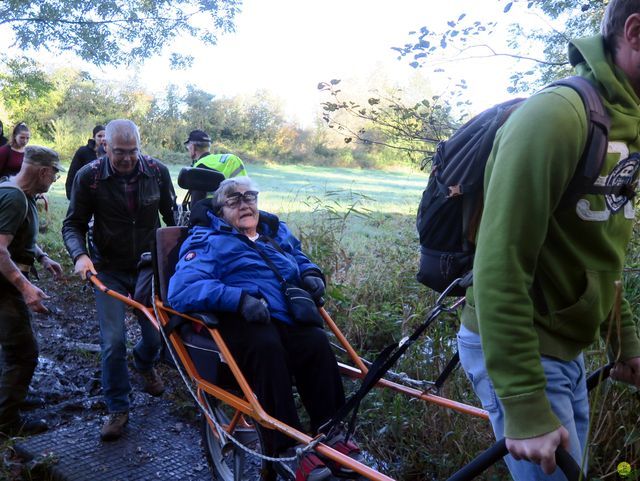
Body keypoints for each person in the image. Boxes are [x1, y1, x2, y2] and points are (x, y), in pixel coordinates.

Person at [457, 1, 640, 479]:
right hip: (521, 347)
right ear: (636, 33)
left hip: (565, 348)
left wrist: (625, 342)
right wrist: (523, 401)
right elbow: (498, 262)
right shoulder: (557, 116)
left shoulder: (627, 123)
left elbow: (601, 248)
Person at [168, 177, 362, 481]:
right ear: (220, 210)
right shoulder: (206, 239)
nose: (245, 203)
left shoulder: (273, 230)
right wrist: (239, 299)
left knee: (314, 340)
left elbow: (297, 256)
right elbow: (181, 288)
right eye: (234, 200)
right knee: (267, 347)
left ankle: (331, 433)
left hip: (285, 315)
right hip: (242, 318)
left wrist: (311, 273)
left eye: (250, 197)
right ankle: (285, 449)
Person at [62, 119, 177, 442]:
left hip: (147, 266)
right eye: (119, 152)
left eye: (132, 152)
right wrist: (79, 256)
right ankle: (118, 408)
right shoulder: (90, 177)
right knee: (113, 341)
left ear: (140, 147)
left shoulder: (157, 171)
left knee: (156, 336)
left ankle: (144, 363)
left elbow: (171, 220)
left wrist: (178, 256)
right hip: (107, 267)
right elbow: (72, 224)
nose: (126, 159)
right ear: (104, 147)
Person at [0, 145, 64, 436]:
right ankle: (6, 422)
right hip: (3, 287)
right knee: (24, 352)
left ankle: (12, 397)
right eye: (53, 175)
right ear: (43, 171)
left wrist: (42, 256)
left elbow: (18, 236)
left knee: (13, 347)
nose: (53, 181)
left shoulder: (15, 192)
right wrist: (25, 287)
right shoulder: (15, 199)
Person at [184, 129, 247, 204]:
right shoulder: (232, 159)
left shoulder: (198, 169)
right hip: (244, 208)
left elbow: (196, 206)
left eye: (188, 147)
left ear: (193, 148)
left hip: (215, 212)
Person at [65, 125, 106, 200]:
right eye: (99, 136)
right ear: (94, 137)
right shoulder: (83, 151)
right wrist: (70, 194)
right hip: (83, 194)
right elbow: (72, 174)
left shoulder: (110, 154)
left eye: (105, 136)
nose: (103, 139)